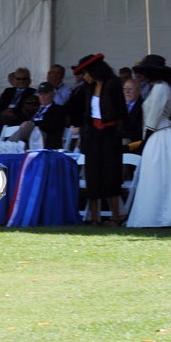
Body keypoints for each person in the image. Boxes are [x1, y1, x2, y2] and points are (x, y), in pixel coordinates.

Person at [126, 55, 171, 228]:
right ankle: (158, 215)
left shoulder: (160, 89)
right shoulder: (158, 88)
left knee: (157, 175)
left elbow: (153, 117)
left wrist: (145, 139)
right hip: (159, 134)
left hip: (158, 135)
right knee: (157, 175)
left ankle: (158, 216)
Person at [74, 53, 126, 226]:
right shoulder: (88, 88)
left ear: (94, 71)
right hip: (93, 135)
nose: (84, 77)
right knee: (93, 174)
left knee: (111, 174)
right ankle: (95, 218)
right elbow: (85, 113)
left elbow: (121, 112)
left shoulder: (113, 84)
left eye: (86, 73)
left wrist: (119, 135)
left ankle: (115, 217)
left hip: (110, 134)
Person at [11, 82, 68, 149]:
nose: (42, 97)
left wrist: (33, 124)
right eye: (40, 94)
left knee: (29, 126)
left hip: (47, 139)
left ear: (53, 95)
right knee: (25, 126)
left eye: (45, 94)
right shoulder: (34, 110)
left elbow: (52, 125)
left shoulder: (59, 109)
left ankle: (8, 146)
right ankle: (10, 147)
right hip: (30, 139)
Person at [121, 77, 144, 153]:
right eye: (125, 89)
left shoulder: (143, 107)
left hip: (135, 145)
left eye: (130, 89)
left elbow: (141, 131)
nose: (127, 91)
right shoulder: (118, 105)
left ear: (138, 91)